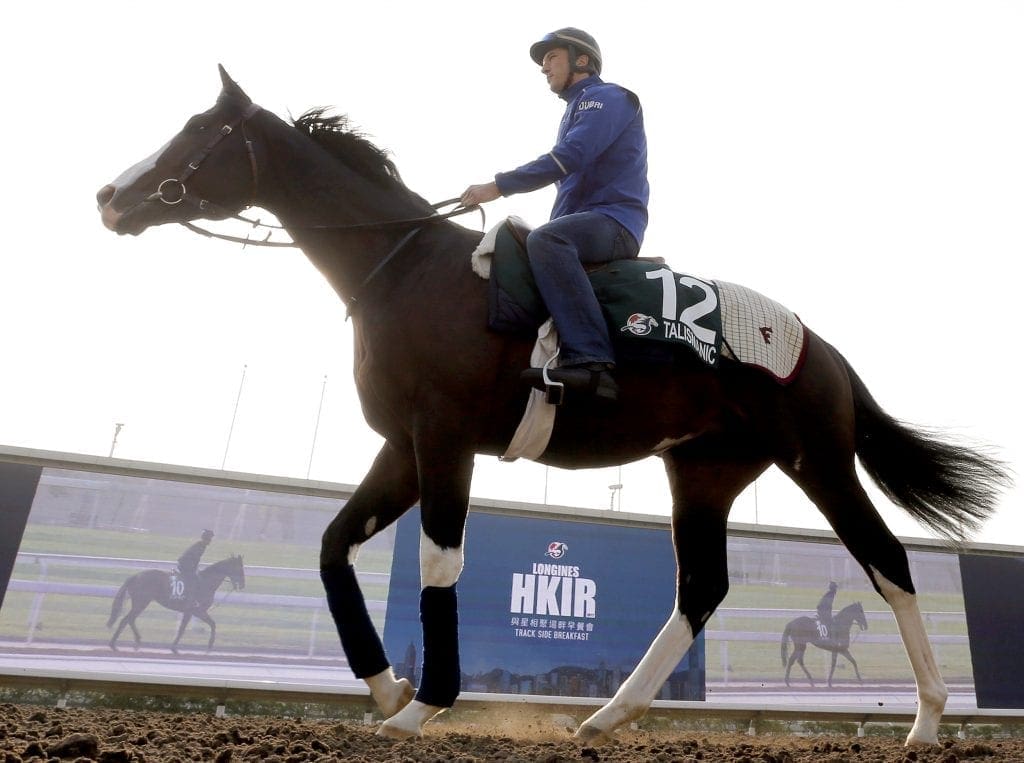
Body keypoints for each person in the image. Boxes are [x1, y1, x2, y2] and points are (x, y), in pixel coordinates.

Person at [460, 28, 649, 401]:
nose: (544, 68)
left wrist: (496, 186)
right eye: (543, 62)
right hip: (586, 223)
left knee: (547, 238)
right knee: (542, 238)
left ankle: (592, 362)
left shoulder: (607, 97)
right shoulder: (576, 109)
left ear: (581, 60)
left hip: (615, 223)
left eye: (551, 58)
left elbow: (569, 158)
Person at [176, 529, 213, 602]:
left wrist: (196, 569)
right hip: (185, 565)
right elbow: (193, 559)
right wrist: (194, 570)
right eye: (210, 538)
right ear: (206, 538)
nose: (211, 540)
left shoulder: (202, 545)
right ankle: (189, 599)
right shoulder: (200, 546)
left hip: (187, 565)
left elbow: (195, 560)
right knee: (194, 580)